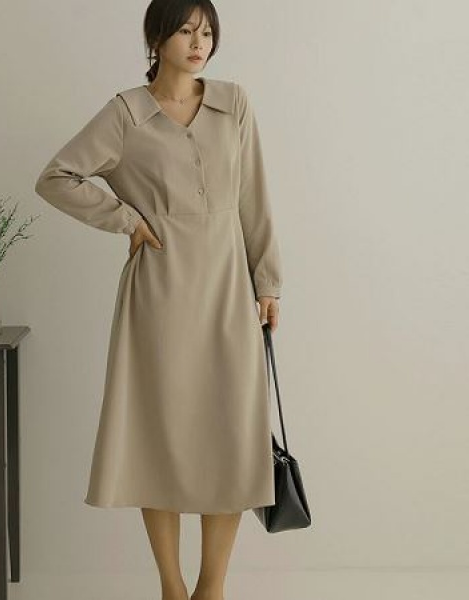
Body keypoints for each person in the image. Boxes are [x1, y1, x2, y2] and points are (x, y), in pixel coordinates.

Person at [34, 1, 284, 598]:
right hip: (161, 290)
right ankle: (172, 587)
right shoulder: (127, 113)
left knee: (232, 433)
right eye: (186, 31)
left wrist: (268, 280)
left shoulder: (233, 103)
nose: (199, 43)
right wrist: (126, 219)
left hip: (229, 287)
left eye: (207, 32)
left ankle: (211, 587)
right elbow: (56, 177)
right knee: (160, 433)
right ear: (157, 37)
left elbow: (254, 198)